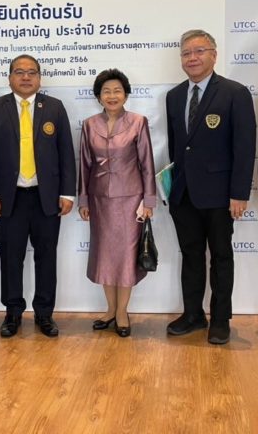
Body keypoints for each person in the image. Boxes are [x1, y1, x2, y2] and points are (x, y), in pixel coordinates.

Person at [165, 29, 256, 345]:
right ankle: (193, 314)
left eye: (199, 51)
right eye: (186, 53)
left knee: (221, 257)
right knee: (191, 255)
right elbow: (178, 148)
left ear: (214, 55)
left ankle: (220, 319)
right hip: (183, 194)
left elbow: (244, 147)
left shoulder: (234, 93)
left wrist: (239, 193)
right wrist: (171, 188)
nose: (192, 57)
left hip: (220, 195)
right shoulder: (174, 96)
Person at [0, 54, 76, 338]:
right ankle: (12, 313)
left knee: (46, 257)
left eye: (31, 72)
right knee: (11, 258)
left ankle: (44, 313)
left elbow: (66, 152)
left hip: (47, 197)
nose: (25, 77)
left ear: (39, 78)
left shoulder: (54, 107)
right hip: (10, 198)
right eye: (19, 72)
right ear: (9, 77)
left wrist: (67, 192)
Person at [78, 69, 156, 338]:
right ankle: (110, 310)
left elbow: (147, 164)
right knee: (105, 256)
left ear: (126, 94)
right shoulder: (89, 125)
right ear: (99, 96)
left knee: (125, 258)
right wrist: (83, 199)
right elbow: (84, 165)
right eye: (106, 91)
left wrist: (148, 200)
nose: (112, 96)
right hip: (99, 200)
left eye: (117, 91)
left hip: (131, 201)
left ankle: (122, 312)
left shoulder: (138, 122)